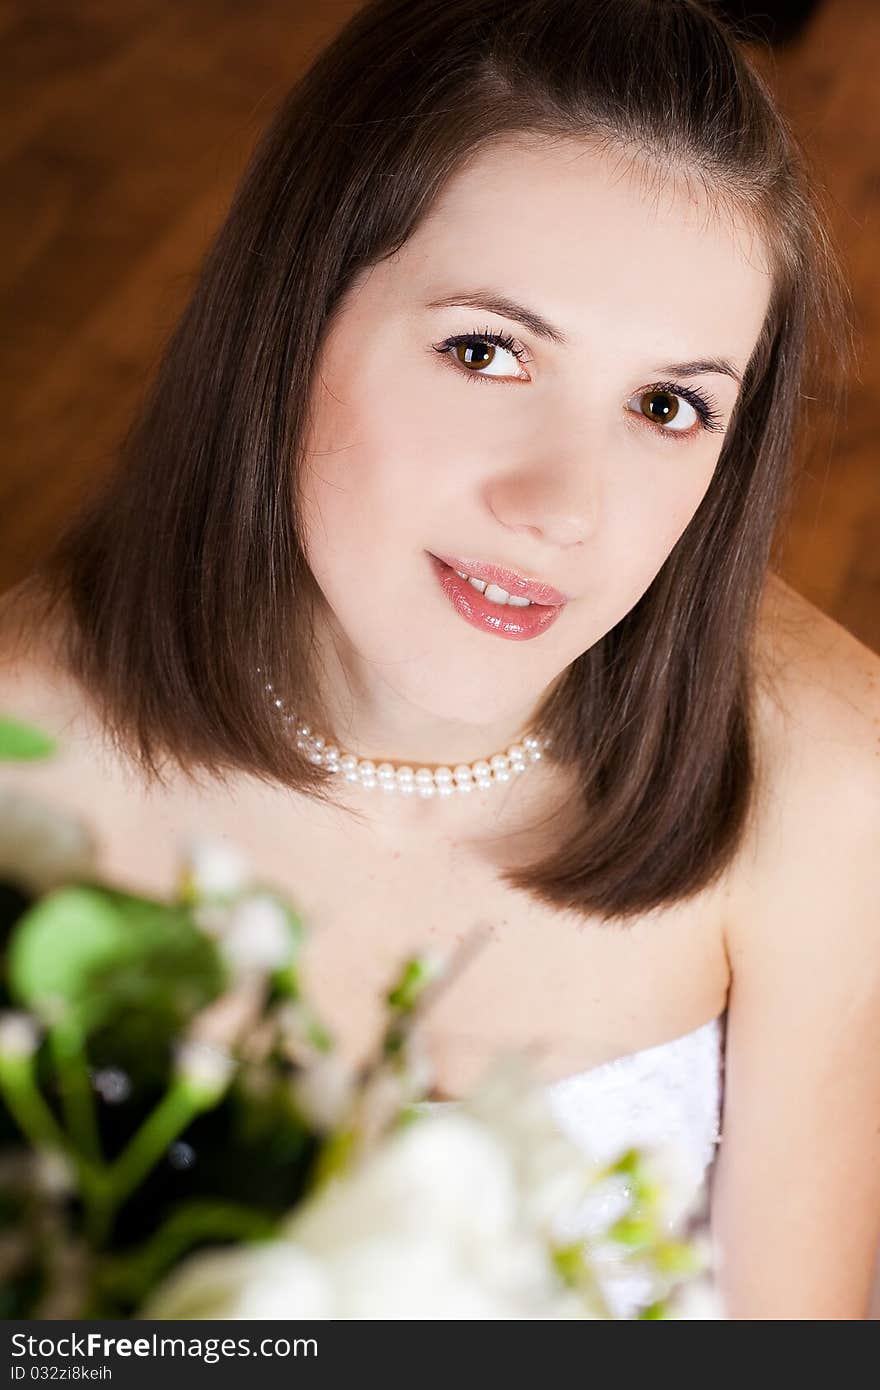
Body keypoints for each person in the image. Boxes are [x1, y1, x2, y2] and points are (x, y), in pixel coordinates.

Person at [1, 0, 877, 1319]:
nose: (565, 505)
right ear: (288, 317)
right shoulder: (25, 757)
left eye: (667, 404)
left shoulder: (820, 779)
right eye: (486, 349)